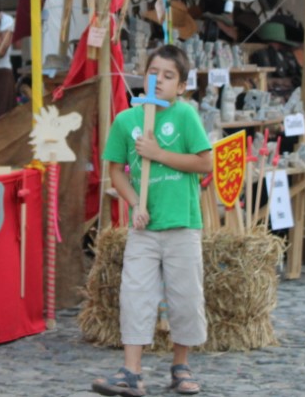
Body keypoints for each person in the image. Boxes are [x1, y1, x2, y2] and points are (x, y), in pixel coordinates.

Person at [92, 45, 212, 397]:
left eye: (168, 75)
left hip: (182, 224)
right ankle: (131, 372)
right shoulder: (125, 121)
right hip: (144, 228)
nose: (159, 80)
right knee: (136, 294)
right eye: (154, 73)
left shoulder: (186, 115)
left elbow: (205, 163)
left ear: (182, 85)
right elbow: (116, 171)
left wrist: (159, 154)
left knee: (185, 296)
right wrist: (133, 203)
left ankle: (181, 365)